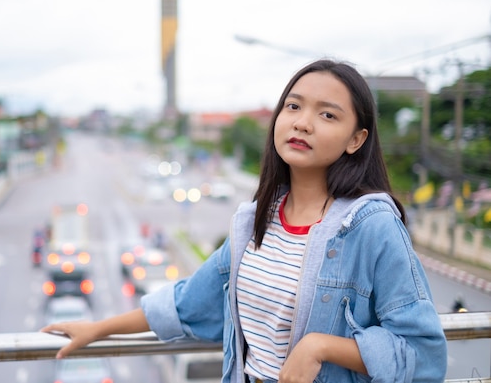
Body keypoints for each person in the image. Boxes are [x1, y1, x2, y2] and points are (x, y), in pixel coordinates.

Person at [42, 59, 448, 383]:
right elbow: (187, 303)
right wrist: (98, 329)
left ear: (355, 139)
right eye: (294, 106)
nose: (302, 122)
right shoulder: (253, 222)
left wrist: (319, 347)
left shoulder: (371, 225)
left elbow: (423, 352)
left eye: (327, 115)